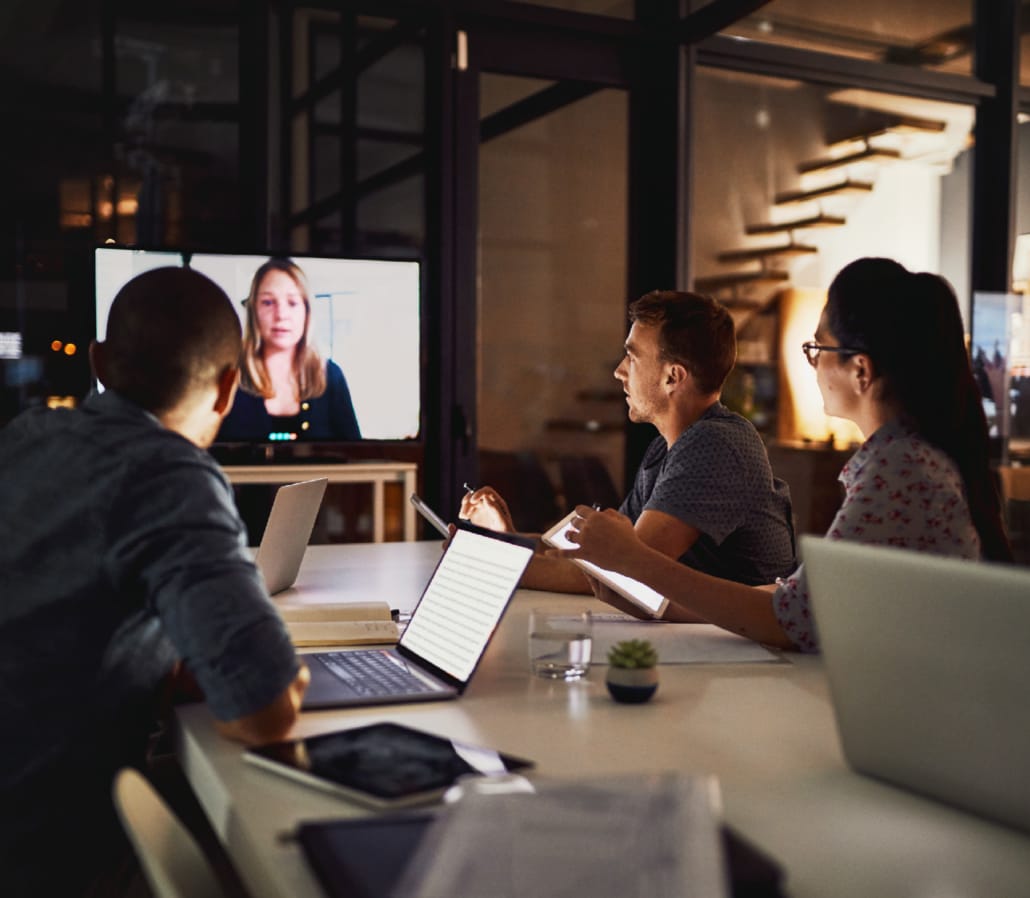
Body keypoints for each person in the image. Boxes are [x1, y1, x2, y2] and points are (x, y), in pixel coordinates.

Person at [0, 267, 310, 896]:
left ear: (99, 364)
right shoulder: (170, 476)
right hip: (49, 851)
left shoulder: (26, 437)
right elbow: (264, 714)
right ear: (229, 388)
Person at [558, 258, 1012, 651]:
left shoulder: (901, 469)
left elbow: (791, 620)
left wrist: (638, 566)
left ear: (860, 370)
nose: (811, 366)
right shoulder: (900, 461)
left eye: (817, 349)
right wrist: (653, 594)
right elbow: (791, 601)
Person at [462, 290, 797, 598]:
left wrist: (489, 560)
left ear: (673, 377)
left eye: (632, 357)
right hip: (698, 639)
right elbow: (598, 553)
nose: (619, 372)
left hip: (747, 656)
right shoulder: (666, 449)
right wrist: (505, 539)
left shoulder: (716, 445)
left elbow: (619, 571)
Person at [217, 256, 361, 441]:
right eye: (268, 302)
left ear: (306, 312)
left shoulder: (331, 376)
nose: (281, 315)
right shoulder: (229, 374)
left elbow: (356, 457)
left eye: (292, 303)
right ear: (254, 310)